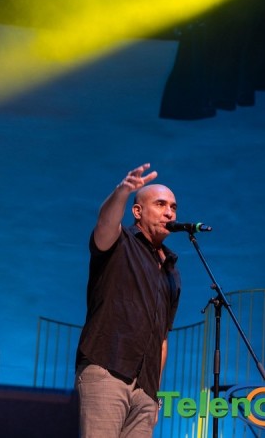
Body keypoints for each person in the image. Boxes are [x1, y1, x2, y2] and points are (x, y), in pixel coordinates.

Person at [75, 163, 181, 437]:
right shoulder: (119, 242)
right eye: (160, 204)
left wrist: (155, 394)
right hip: (108, 369)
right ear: (137, 211)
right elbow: (105, 222)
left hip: (146, 389)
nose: (169, 212)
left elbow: (162, 339)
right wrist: (122, 191)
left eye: (173, 207)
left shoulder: (171, 270)